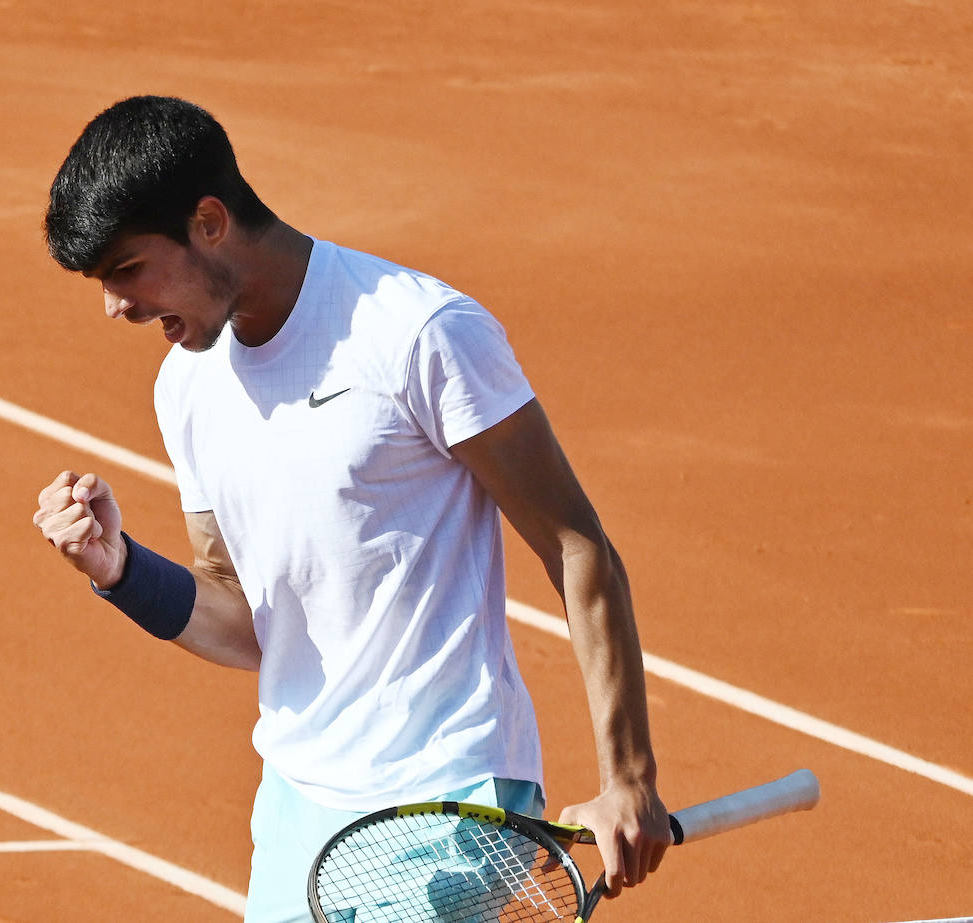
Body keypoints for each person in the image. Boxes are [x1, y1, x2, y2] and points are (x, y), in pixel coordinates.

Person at [33, 95, 670, 922]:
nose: (116, 307)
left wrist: (629, 777)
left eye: (126, 269)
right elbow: (245, 623)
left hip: (448, 798)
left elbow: (578, 547)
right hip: (301, 808)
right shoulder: (186, 386)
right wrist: (120, 570)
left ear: (211, 221)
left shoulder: (416, 333)